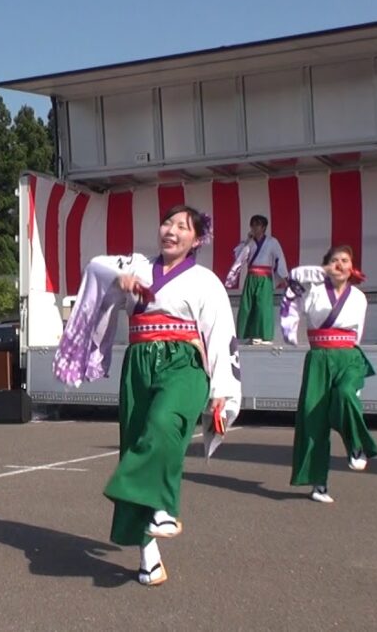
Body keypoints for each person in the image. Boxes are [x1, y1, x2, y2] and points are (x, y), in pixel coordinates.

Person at [54, 205, 242, 587]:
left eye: (182, 227)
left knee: (163, 425)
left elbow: (222, 334)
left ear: (196, 239)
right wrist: (119, 278)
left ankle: (161, 505)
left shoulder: (206, 281)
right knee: (135, 444)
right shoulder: (137, 267)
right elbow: (94, 267)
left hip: (184, 362)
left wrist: (223, 390)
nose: (171, 231)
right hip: (139, 364)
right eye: (168, 223)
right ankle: (149, 556)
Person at [280, 245, 377, 504]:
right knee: (314, 419)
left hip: (348, 356)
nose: (339, 265)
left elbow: (358, 333)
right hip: (318, 358)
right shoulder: (312, 291)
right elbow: (293, 277)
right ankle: (319, 483)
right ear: (324, 265)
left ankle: (357, 446)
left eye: (345, 261)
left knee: (346, 394)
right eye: (334, 261)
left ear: (352, 266)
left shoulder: (358, 297)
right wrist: (290, 331)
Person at [225, 214, 289, 344]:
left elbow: (279, 258)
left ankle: (264, 335)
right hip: (251, 277)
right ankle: (246, 335)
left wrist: (284, 276)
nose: (255, 227)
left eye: (258, 225)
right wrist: (248, 241)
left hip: (265, 278)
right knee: (247, 305)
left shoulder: (272, 242)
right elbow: (238, 257)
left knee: (263, 306)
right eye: (253, 225)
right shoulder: (249, 243)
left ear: (264, 227)